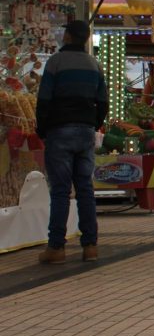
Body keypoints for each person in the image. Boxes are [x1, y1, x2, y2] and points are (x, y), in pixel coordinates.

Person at [35, 20, 108, 264]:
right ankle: (90, 246)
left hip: (60, 131)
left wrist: (43, 128)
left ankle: (56, 247)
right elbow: (103, 102)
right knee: (85, 188)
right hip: (85, 131)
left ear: (67, 36)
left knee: (60, 191)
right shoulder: (94, 65)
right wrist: (93, 123)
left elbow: (44, 99)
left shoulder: (55, 62)